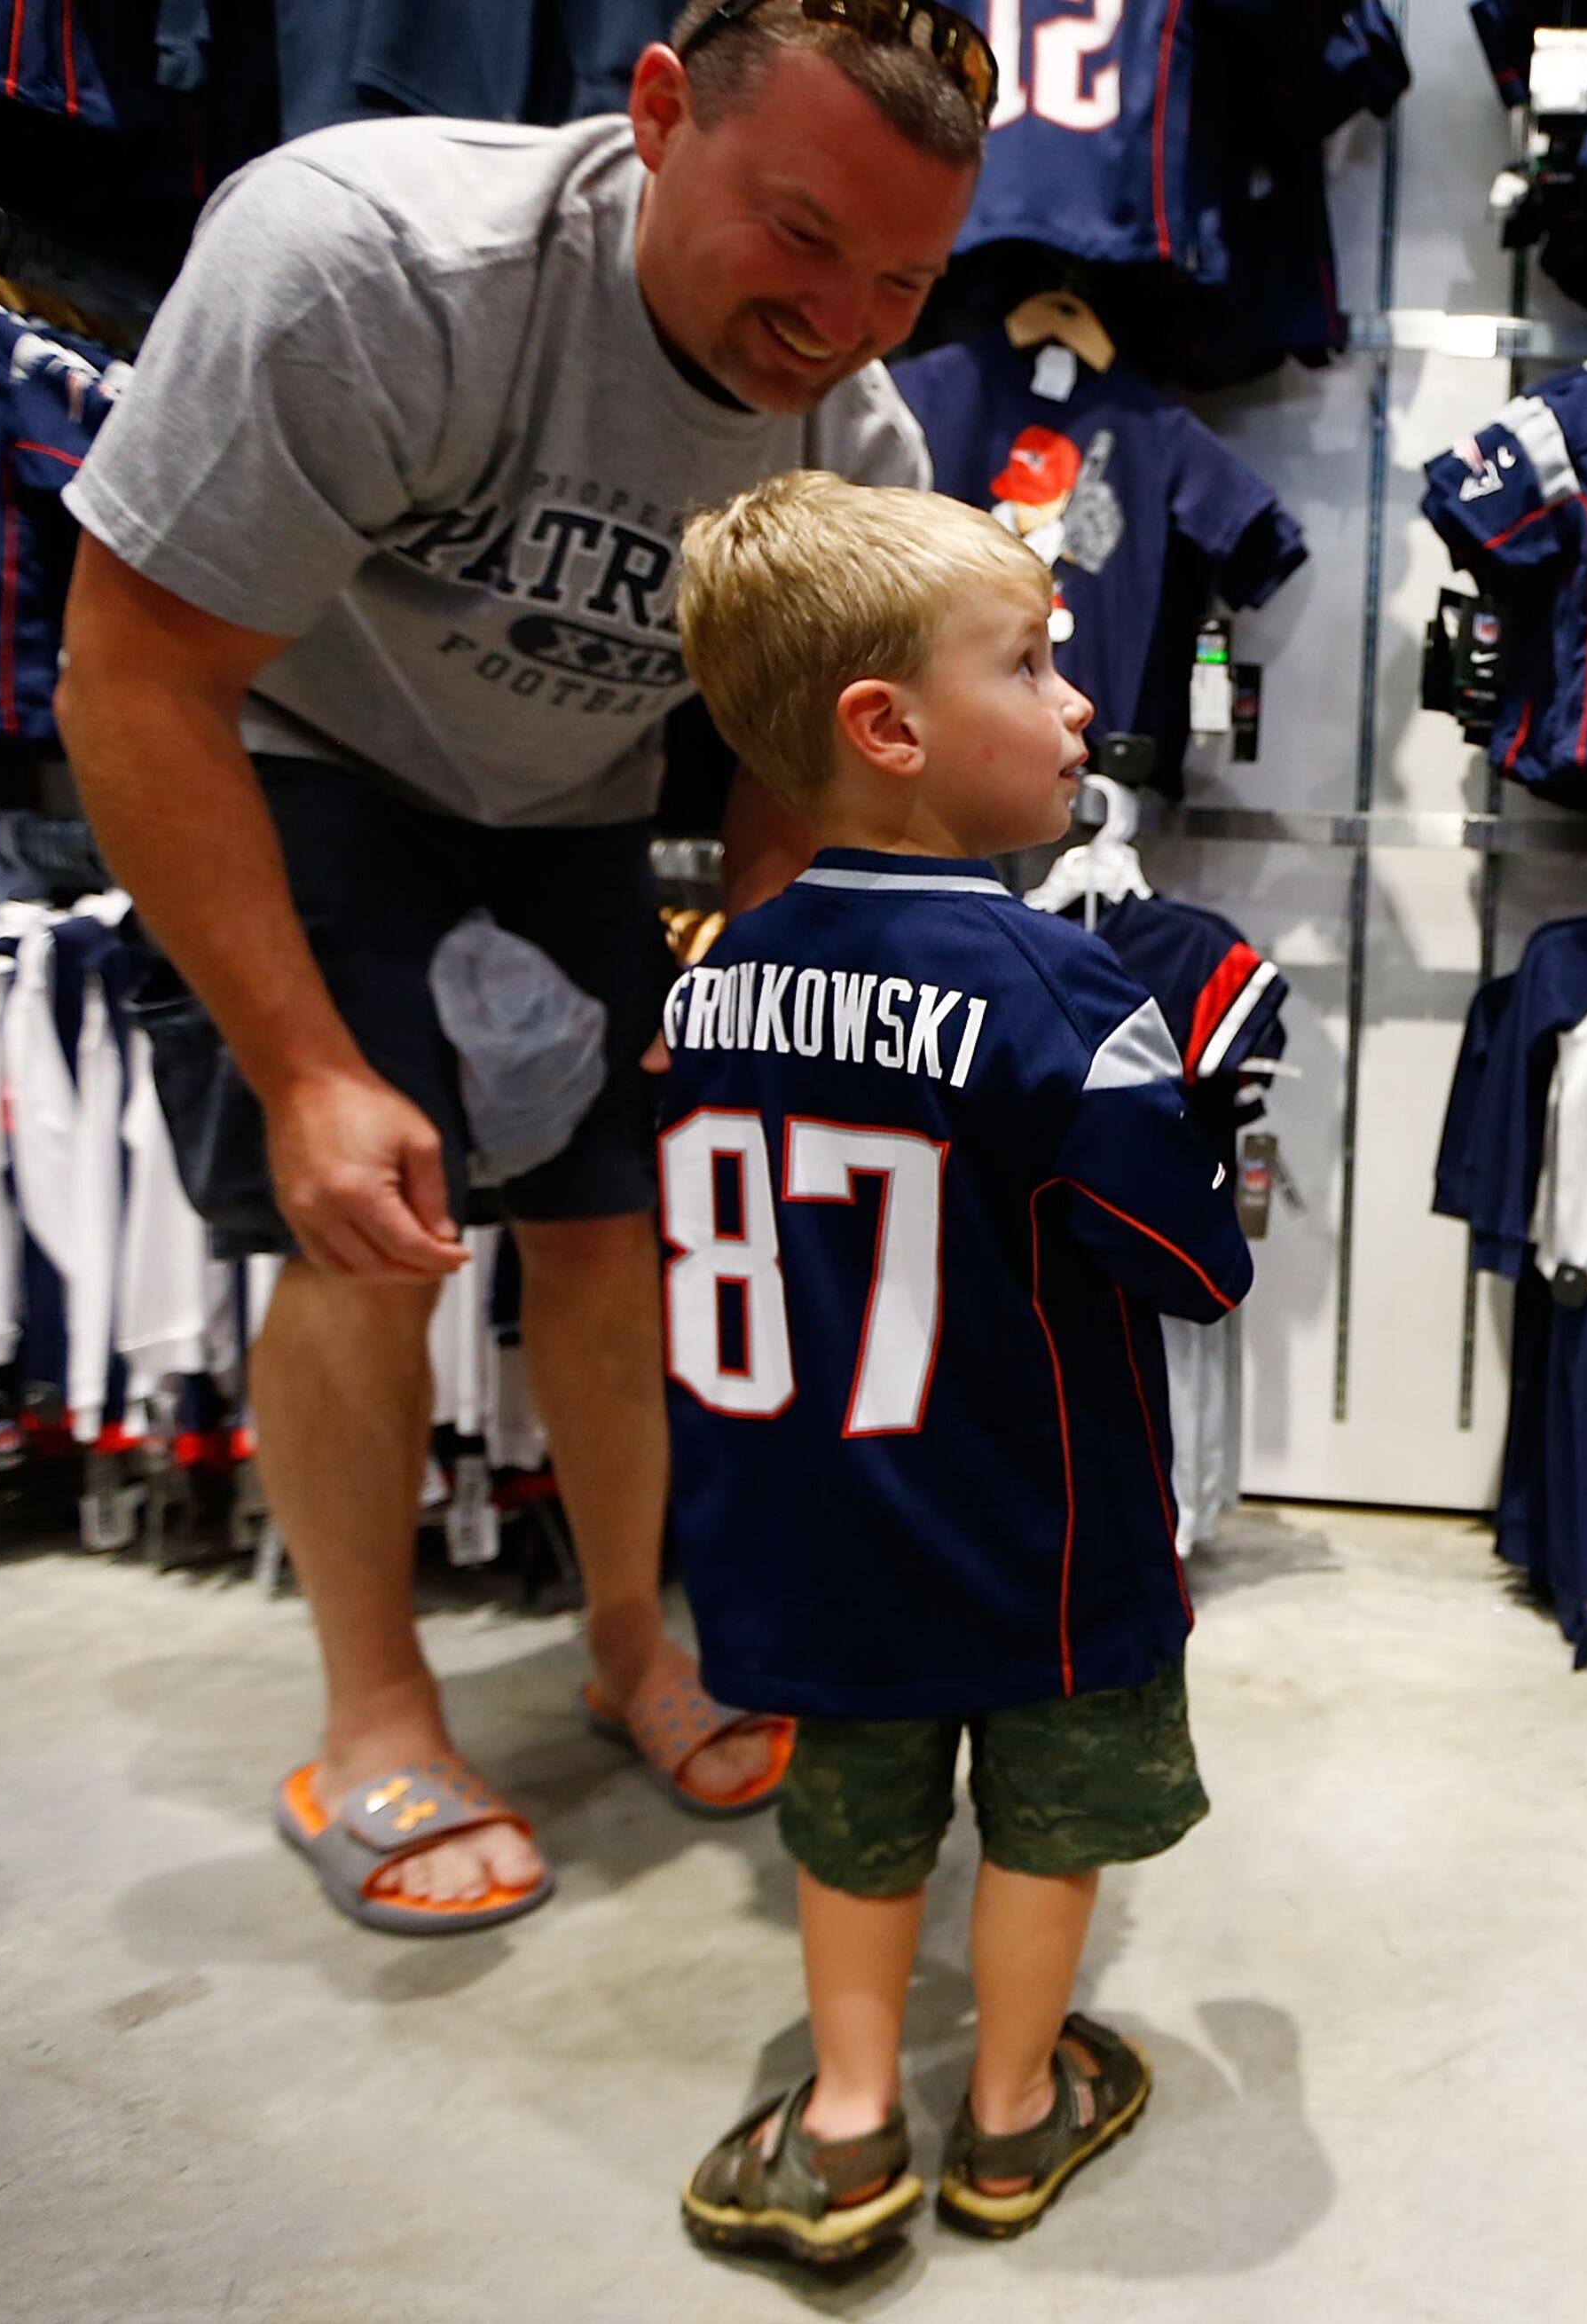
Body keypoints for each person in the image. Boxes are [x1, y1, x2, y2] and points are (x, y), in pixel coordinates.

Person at [49, 1, 995, 1933]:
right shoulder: (365, 261)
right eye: (802, 237)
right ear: (657, 111)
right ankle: (375, 1709)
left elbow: (791, 759)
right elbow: (133, 674)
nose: (840, 317)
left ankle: (637, 1639)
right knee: (366, 1222)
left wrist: (758, 980)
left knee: (628, 1218)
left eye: (903, 275)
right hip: (297, 755)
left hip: (570, 801)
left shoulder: (855, 431)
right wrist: (309, 1064)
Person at [658, 472, 1252, 2265]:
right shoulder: (1062, 990)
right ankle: (1007, 2109)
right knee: (1043, 1826)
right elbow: (1185, 1263)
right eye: (1032, 663)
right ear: (888, 726)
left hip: (807, 1538)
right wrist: (1190, 1100)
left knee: (851, 1823)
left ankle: (842, 2122)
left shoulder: (705, 984)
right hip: (1032, 1534)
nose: (1078, 703)